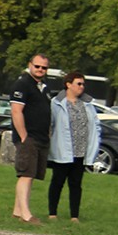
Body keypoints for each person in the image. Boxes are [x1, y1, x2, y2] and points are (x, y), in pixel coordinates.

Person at [48, 71, 101, 222]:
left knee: (76, 184)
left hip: (80, 151)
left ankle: (74, 216)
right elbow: (50, 125)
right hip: (62, 150)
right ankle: (52, 213)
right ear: (68, 84)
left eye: (83, 84)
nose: (82, 87)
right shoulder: (56, 103)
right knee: (57, 182)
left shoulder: (87, 104)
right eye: (79, 84)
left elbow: (95, 126)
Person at [10, 53, 54, 225]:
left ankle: (17, 210)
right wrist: (23, 136)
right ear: (30, 65)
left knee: (32, 174)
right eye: (37, 66)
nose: (40, 70)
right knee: (26, 174)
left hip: (41, 137)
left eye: (44, 67)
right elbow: (16, 111)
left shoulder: (44, 87)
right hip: (29, 137)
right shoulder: (22, 84)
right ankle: (26, 215)